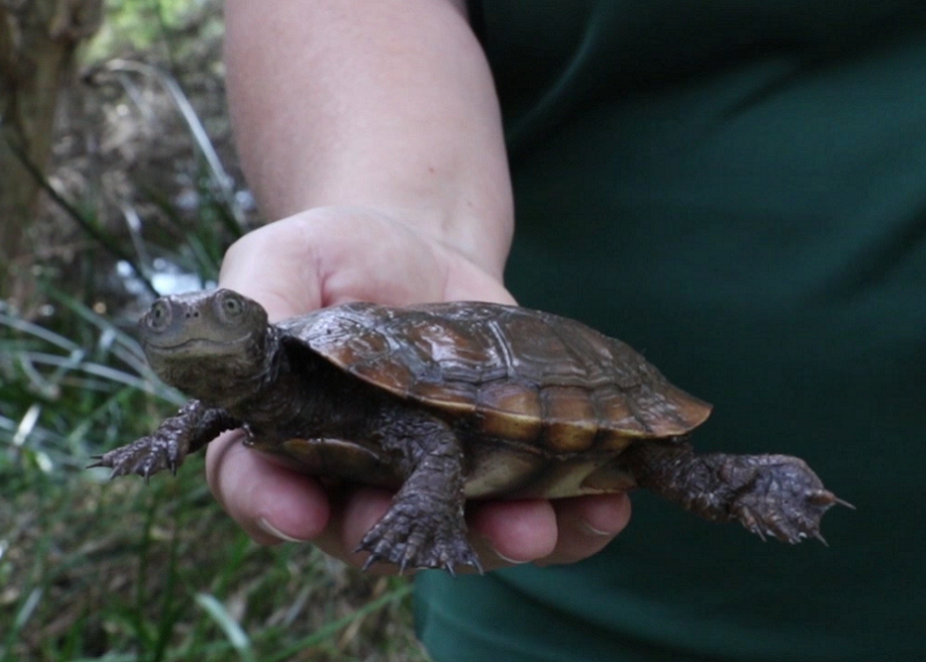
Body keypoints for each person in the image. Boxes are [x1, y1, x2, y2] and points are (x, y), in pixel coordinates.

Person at [210, 1, 926, 660]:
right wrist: (396, 215)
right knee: (634, 467)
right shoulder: (287, 380)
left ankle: (736, 481)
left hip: (579, 391)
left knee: (654, 459)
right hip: (565, 614)